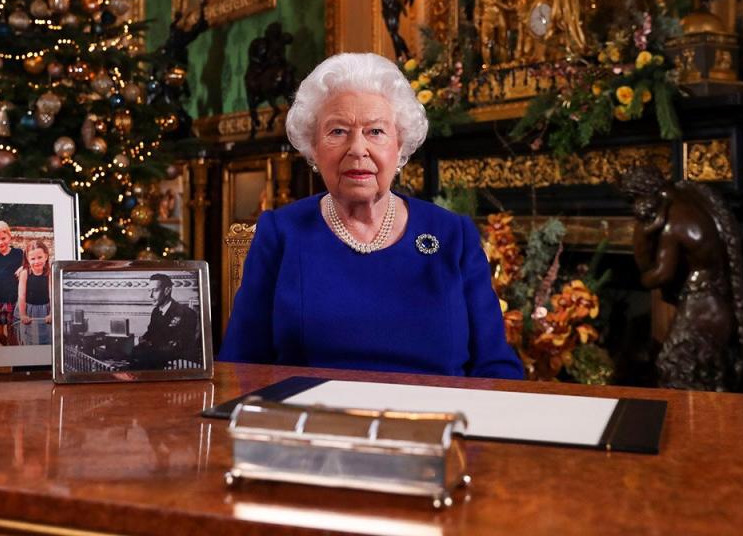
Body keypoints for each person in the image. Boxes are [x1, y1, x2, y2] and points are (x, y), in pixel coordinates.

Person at [219, 52, 524, 379]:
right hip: (312, 423)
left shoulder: (453, 235)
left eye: (375, 131)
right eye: (337, 131)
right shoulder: (281, 233)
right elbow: (240, 365)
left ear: (400, 144)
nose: (357, 149)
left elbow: (495, 365)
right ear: (313, 147)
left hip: (434, 424)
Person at [130, 273, 200, 370]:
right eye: (149, 290)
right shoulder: (156, 311)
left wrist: (149, 347)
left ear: (167, 290)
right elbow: (150, 334)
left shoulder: (185, 313)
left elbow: (181, 346)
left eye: (154, 291)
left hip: (176, 362)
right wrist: (138, 342)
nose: (150, 295)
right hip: (156, 356)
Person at [17, 240, 53, 346]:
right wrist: (23, 314)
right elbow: (21, 296)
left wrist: (51, 313)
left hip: (45, 310)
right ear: (28, 260)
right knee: (29, 338)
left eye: (40, 257)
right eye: (33, 259)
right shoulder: (25, 273)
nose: (36, 261)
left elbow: (52, 295)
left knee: (47, 337)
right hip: (29, 309)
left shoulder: (50, 273)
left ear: (46, 256)